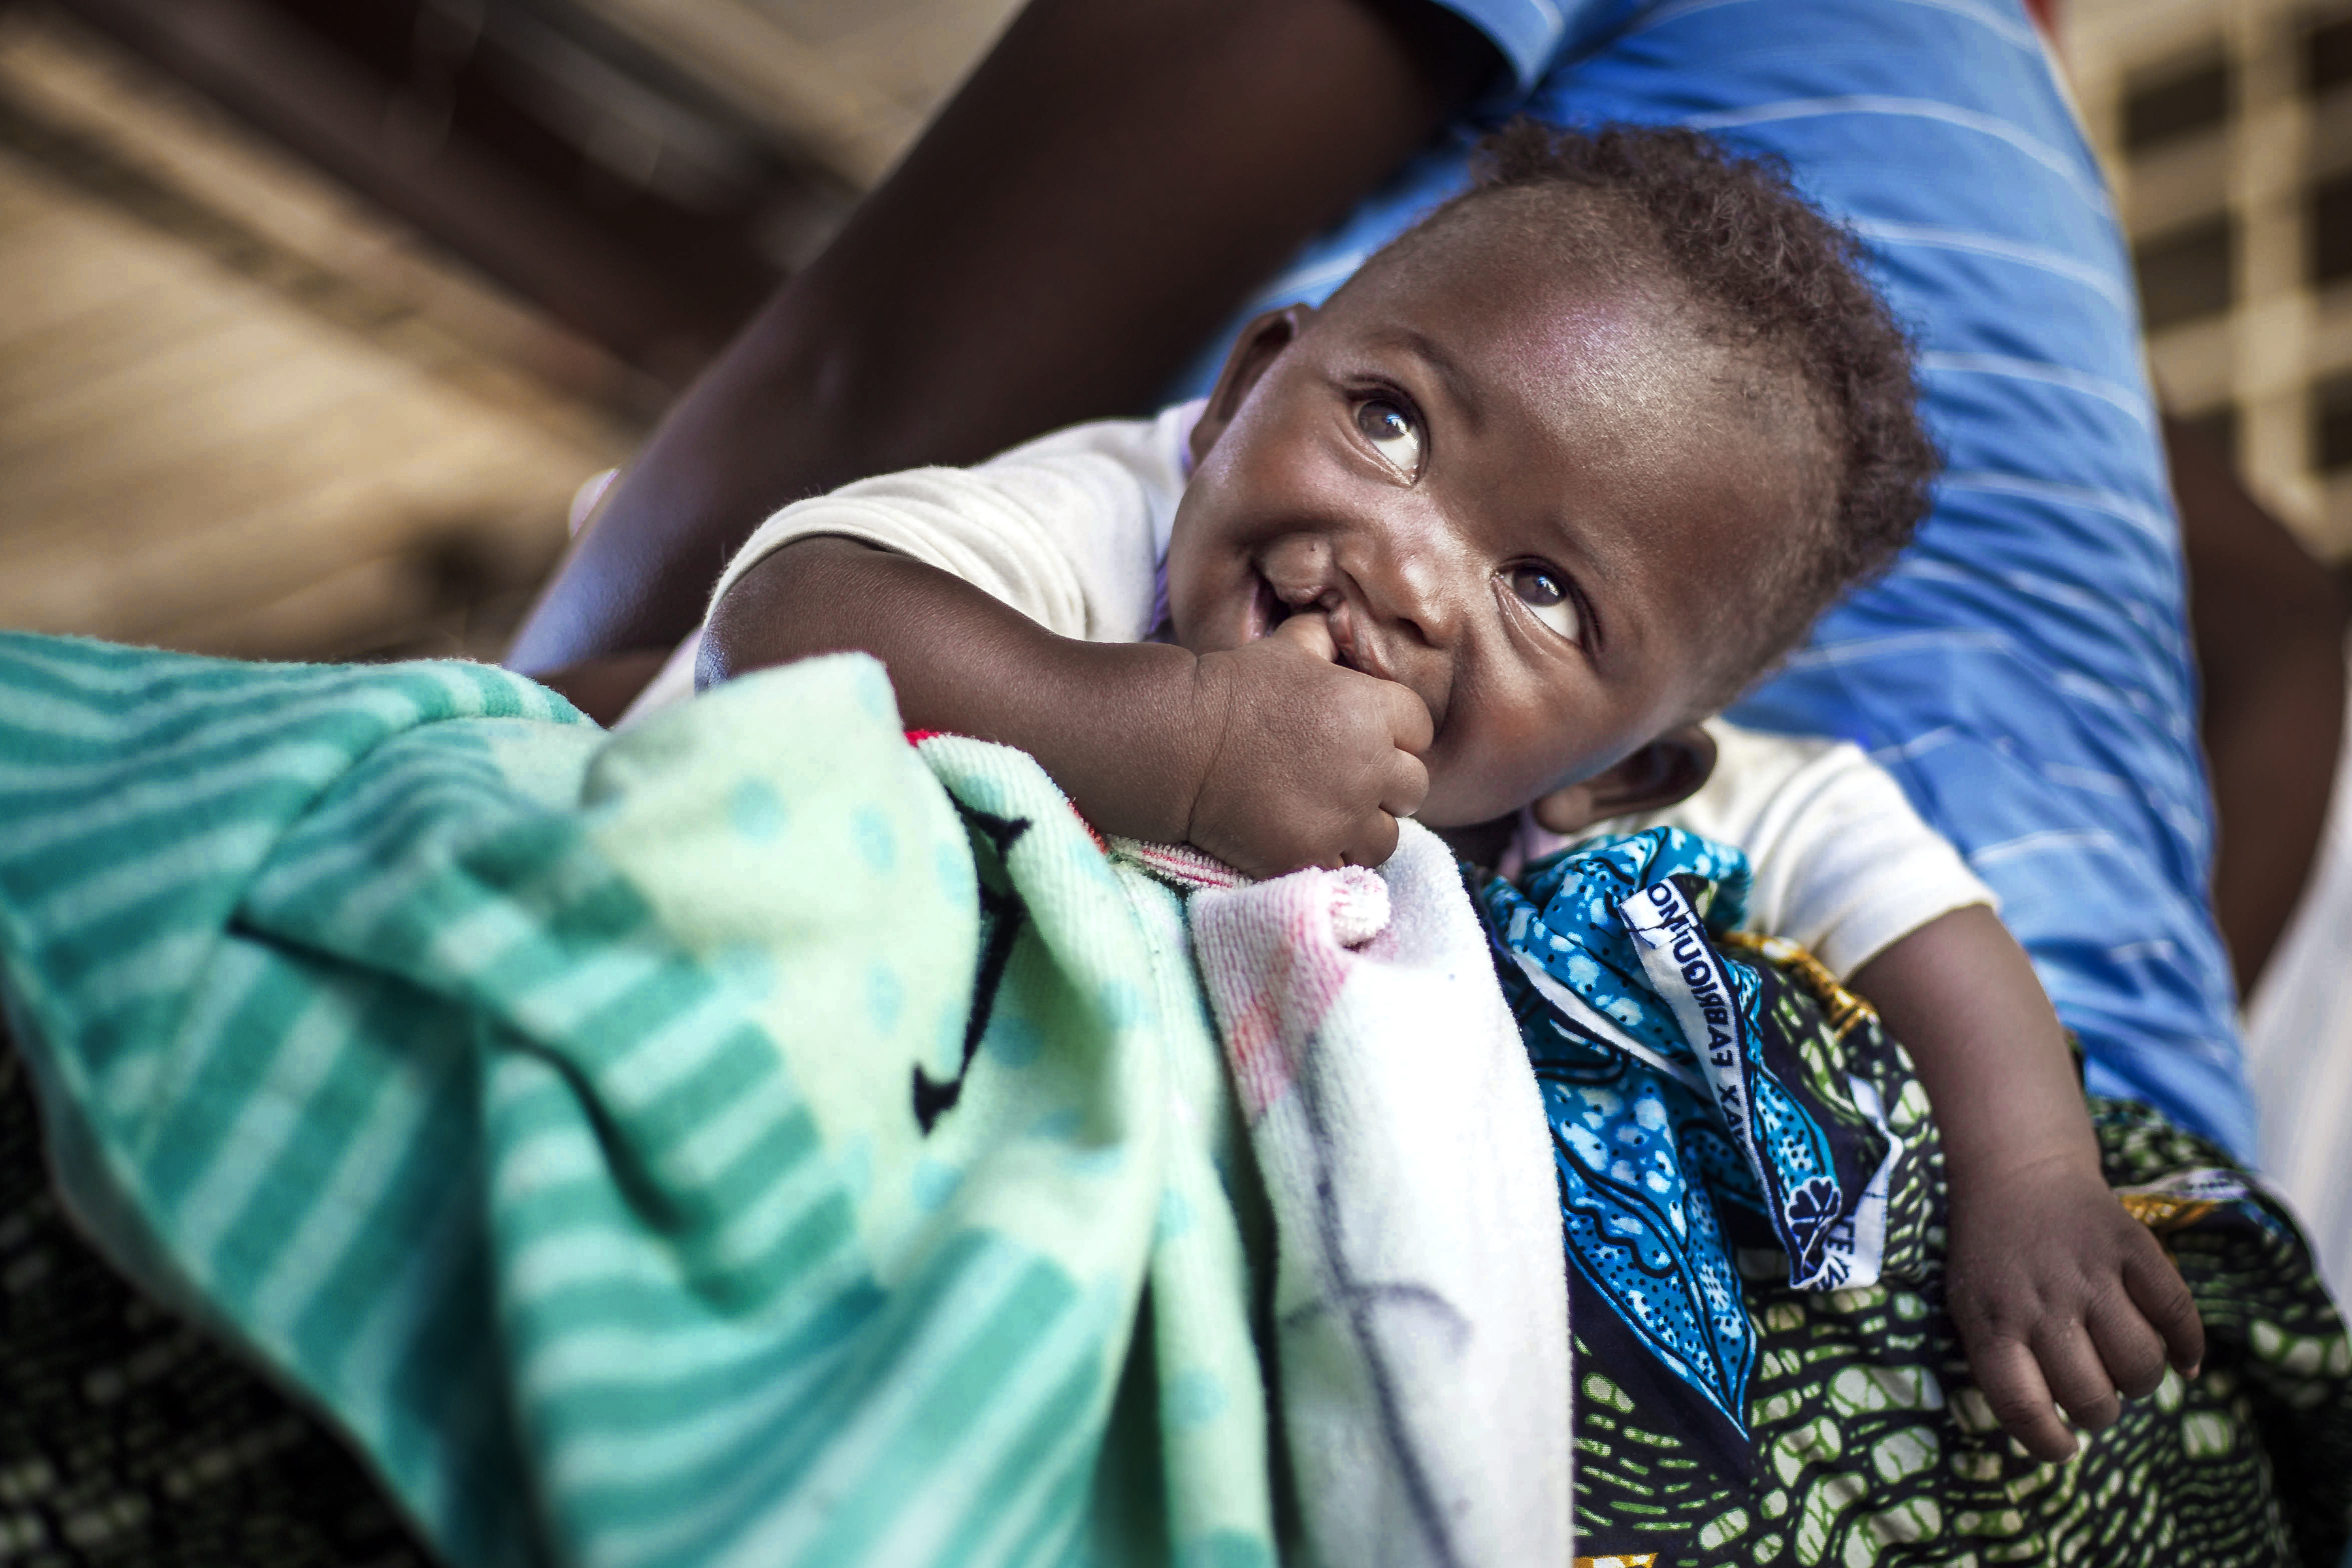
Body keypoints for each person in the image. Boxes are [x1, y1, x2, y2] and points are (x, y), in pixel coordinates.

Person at [506, 0, 2341, 1480]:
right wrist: (1165, 734)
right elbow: (814, 589)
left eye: (1545, 593)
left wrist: (2030, 1181)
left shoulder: (1648, 768)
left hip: (1987, 1231)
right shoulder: (1138, 504)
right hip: (2167, 1216)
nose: (1401, 563)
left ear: (1621, 768)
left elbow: (1913, 902)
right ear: (1244, 385)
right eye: (1385, 422)